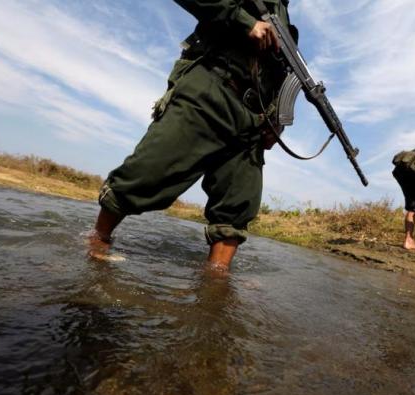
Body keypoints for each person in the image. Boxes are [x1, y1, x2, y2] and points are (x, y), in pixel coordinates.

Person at [88, 0, 296, 271]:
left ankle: (217, 281)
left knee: (238, 204)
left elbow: (282, 80)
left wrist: (277, 121)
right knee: (148, 171)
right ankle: (97, 241)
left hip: (253, 120)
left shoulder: (288, 23)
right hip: (211, 88)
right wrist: (247, 23)